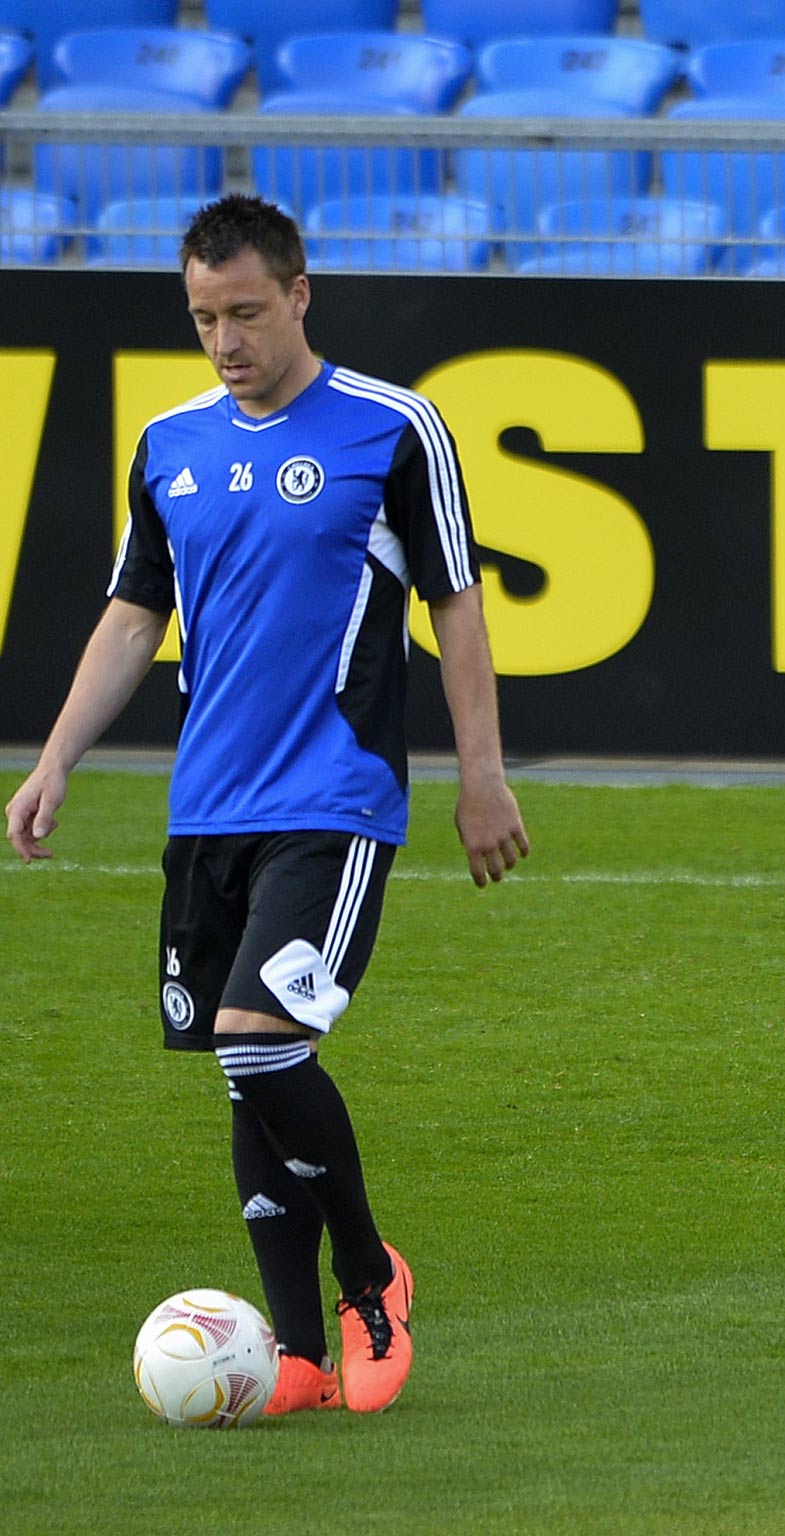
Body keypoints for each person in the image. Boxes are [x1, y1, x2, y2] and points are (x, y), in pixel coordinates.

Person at [4, 196, 527, 1416]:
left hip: (334, 798)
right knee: (245, 1072)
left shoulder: (393, 428)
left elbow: (454, 605)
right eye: (202, 318)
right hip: (209, 808)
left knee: (258, 1037)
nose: (225, 339)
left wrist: (481, 772)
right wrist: (57, 759)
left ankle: (368, 1278)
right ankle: (293, 1353)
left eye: (244, 311)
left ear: (299, 294)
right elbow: (135, 616)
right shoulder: (169, 443)